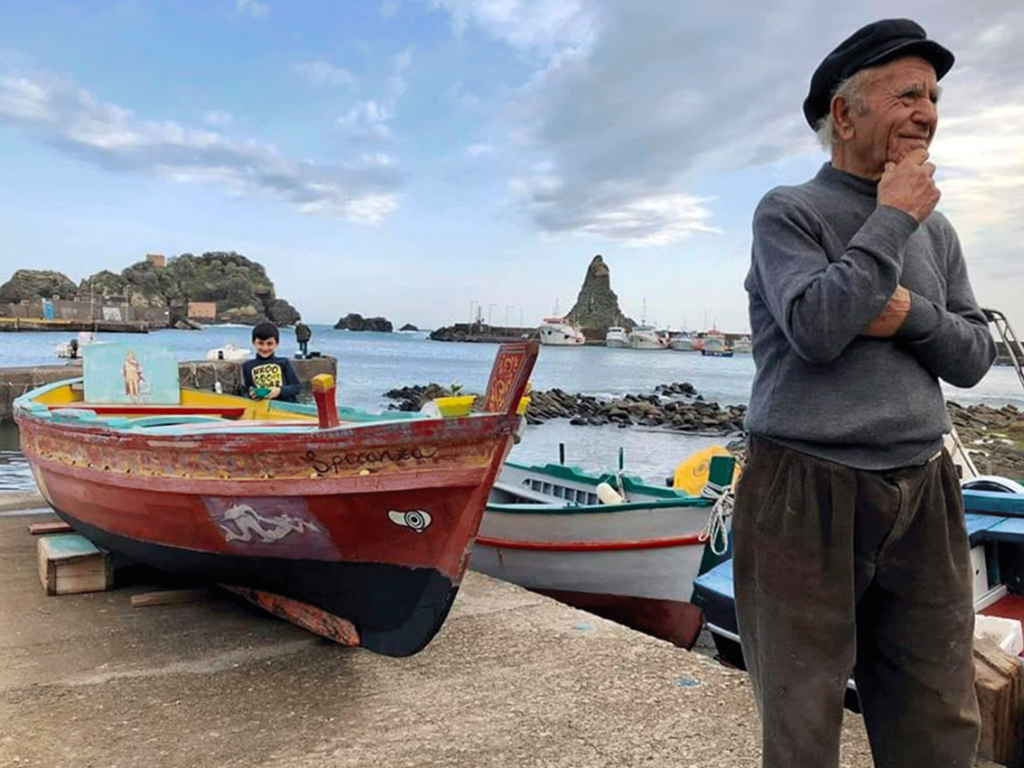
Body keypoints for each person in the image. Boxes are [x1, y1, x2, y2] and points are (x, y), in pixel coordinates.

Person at [735, 18, 996, 768]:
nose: (927, 112)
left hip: (924, 487)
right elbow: (818, 326)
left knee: (937, 715)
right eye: (908, 93)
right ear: (844, 115)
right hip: (804, 489)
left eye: (934, 96)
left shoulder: (936, 232)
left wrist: (911, 313)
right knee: (803, 719)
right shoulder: (790, 212)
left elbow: (976, 355)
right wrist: (891, 219)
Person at [241, 321, 301, 403]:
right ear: (253, 343)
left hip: (286, 407)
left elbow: (297, 387)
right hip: (262, 408)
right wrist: (250, 394)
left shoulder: (284, 362)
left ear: (276, 344)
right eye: (260, 343)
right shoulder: (247, 366)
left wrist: (280, 391)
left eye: (269, 343)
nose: (265, 348)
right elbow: (247, 389)